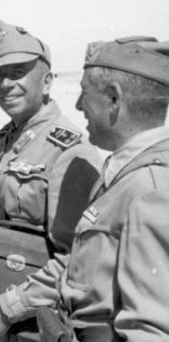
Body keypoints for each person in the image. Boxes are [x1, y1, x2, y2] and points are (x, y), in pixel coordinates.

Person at [0, 21, 101, 341]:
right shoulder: (6, 140)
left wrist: (5, 308)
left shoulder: (70, 152)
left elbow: (77, 262)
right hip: (3, 311)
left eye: (18, 72)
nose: (6, 84)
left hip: (41, 322)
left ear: (48, 81)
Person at [49, 36, 169, 340]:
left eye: (84, 94)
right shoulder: (123, 172)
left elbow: (150, 331)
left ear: (114, 99)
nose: (77, 105)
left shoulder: (150, 189)